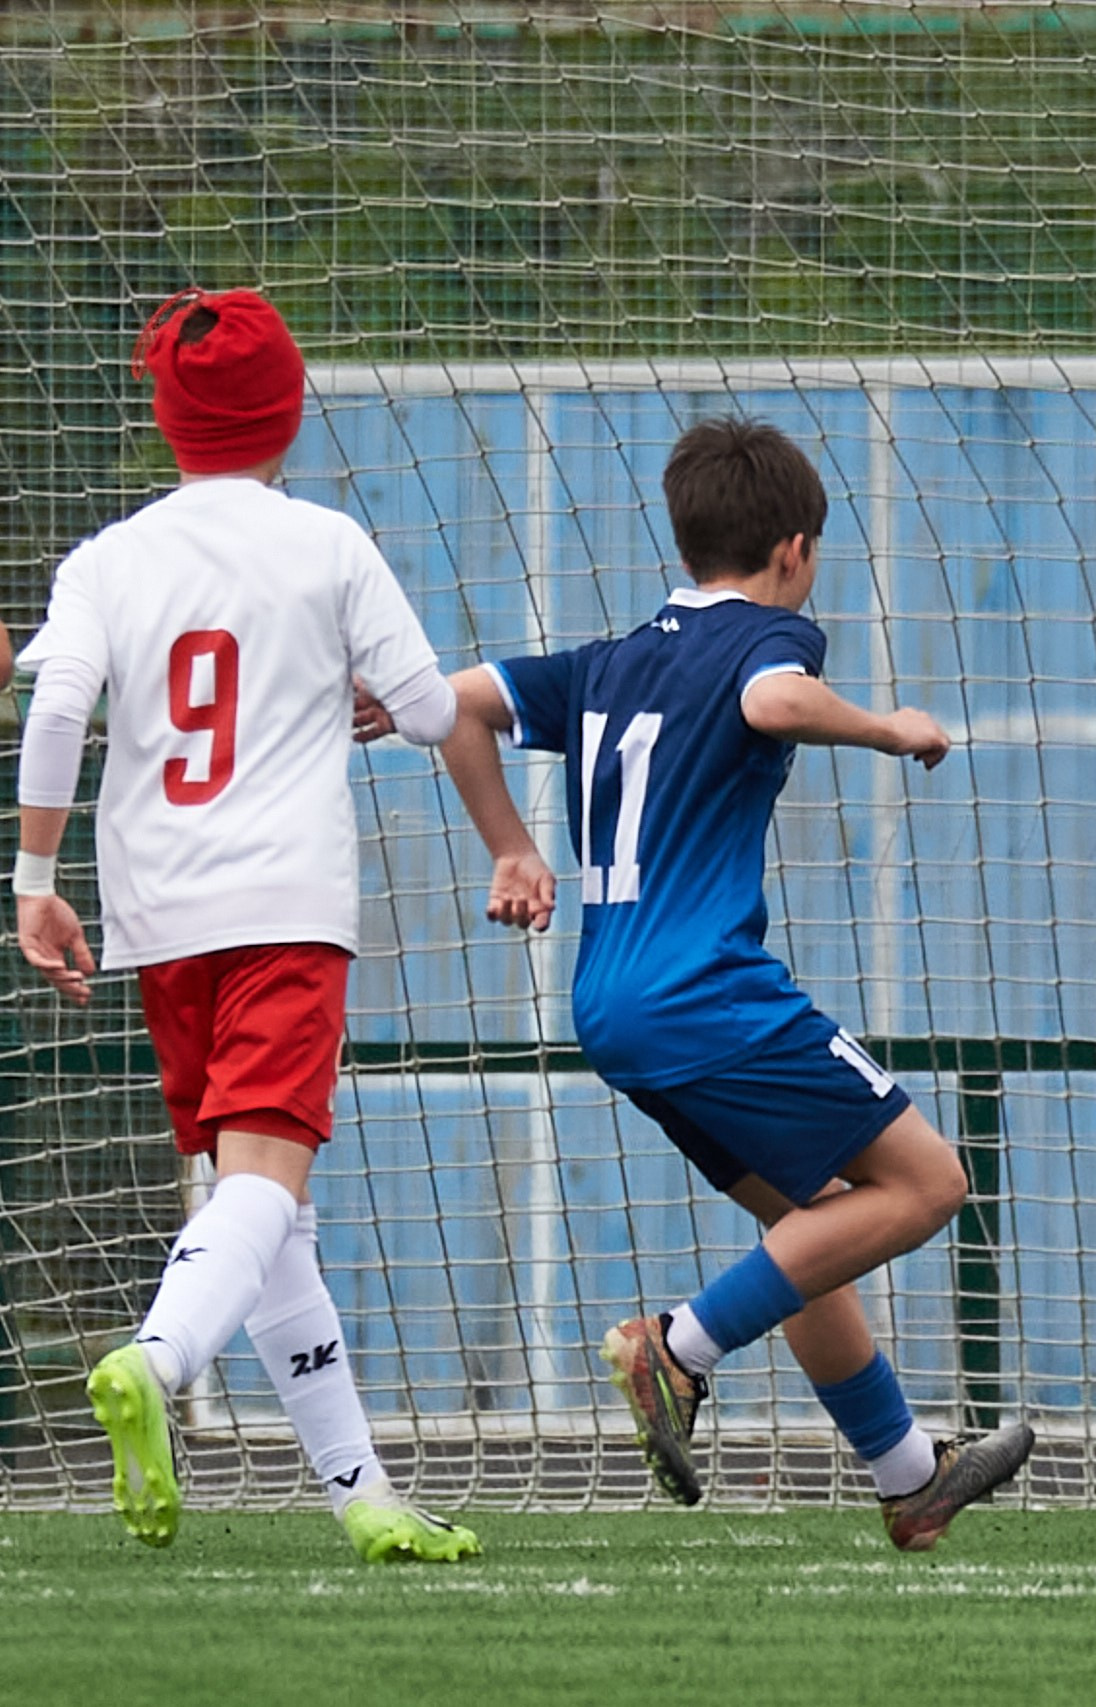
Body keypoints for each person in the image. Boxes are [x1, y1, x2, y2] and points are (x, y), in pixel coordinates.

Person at [439, 415, 1031, 1550]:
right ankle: (676, 1349)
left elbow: (454, 702)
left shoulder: (608, 662)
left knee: (816, 1226)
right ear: (794, 551)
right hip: (704, 992)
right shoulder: (772, 635)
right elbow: (773, 703)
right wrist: (889, 729)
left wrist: (512, 849)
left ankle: (909, 1478)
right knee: (929, 1182)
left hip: (610, 1002)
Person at [15, 288, 478, 1562]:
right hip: (284, 906)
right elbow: (434, 711)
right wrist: (374, 697)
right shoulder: (326, 544)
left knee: (264, 1210)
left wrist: (33, 878)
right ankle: (158, 1359)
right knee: (264, 1187)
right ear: (289, 414)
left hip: (157, 917)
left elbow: (55, 705)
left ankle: (361, 1493)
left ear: (167, 419)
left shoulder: (106, 558)